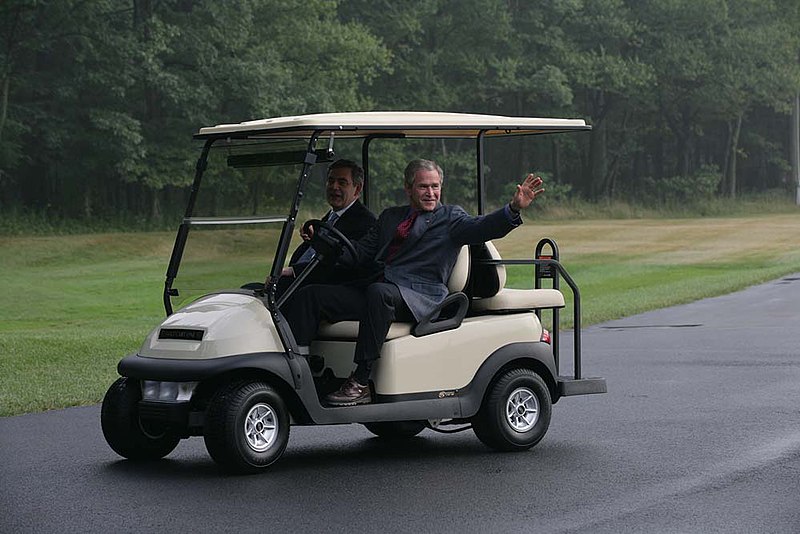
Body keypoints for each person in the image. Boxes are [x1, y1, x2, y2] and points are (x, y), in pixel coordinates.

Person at [283, 159, 545, 406]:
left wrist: (513, 209)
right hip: (381, 290)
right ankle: (298, 371)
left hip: (419, 296)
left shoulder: (451, 218)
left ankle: (361, 381)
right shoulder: (390, 217)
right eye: (423, 186)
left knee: (379, 292)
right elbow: (359, 255)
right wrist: (322, 243)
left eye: (435, 186)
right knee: (312, 295)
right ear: (408, 189)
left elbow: (484, 227)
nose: (431, 193)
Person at [279, 159, 376, 291]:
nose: (334, 187)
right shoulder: (329, 219)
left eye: (342, 183)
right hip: (304, 281)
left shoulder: (365, 222)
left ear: (357, 189)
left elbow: (340, 266)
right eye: (330, 181)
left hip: (332, 287)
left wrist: (294, 271)